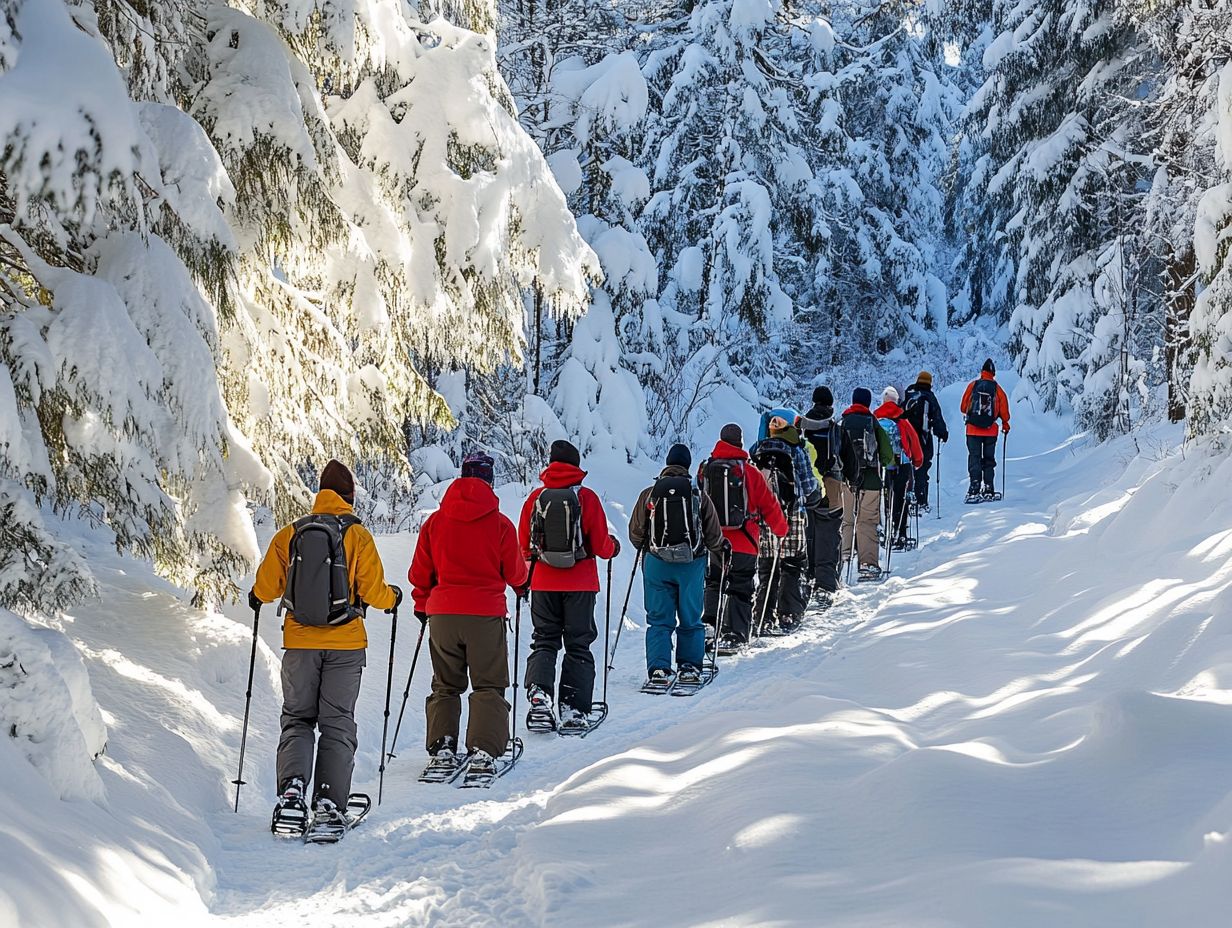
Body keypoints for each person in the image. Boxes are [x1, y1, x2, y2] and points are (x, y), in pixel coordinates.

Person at [251, 459, 400, 831]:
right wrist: (393, 599)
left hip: (299, 643)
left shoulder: (291, 533)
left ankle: (292, 792)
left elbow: (267, 587)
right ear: (349, 496)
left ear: (319, 493)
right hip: (346, 645)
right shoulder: (357, 536)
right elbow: (374, 593)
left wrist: (256, 596)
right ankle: (330, 804)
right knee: (336, 722)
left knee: (298, 718)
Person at [409, 452, 528, 780]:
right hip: (484, 616)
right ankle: (484, 751)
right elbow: (515, 573)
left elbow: (421, 572)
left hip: (443, 615)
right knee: (488, 683)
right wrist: (521, 587)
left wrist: (422, 604)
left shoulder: (434, 522)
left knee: (446, 683)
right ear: (490, 481)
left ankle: (443, 749)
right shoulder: (501, 524)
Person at [518, 440, 619, 733]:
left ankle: (540, 696)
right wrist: (613, 548)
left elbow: (524, 546)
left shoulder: (535, 499)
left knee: (544, 639)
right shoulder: (587, 498)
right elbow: (601, 546)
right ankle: (573, 709)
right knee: (578, 643)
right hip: (581, 584)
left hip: (543, 583)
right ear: (576, 466)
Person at [628, 444, 728, 688]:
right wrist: (722, 550)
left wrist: (652, 549)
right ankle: (690, 667)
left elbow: (635, 534)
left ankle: (660, 669)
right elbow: (714, 536)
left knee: (659, 619)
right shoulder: (698, 495)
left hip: (656, 564)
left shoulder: (650, 494)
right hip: (690, 564)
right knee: (690, 617)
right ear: (687, 465)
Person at [698, 423, 787, 652]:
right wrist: (781, 530)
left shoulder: (705, 469)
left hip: (715, 540)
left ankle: (709, 628)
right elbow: (769, 505)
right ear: (740, 443)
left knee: (715, 582)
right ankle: (735, 634)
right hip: (745, 540)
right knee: (740, 585)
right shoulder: (750, 472)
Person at [750, 409, 821, 633]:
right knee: (793, 563)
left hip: (764, 516)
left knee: (767, 566)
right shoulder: (796, 450)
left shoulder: (757, 450)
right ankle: (788, 614)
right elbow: (809, 485)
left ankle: (763, 616)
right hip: (792, 513)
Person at [800, 386, 852, 607]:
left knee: (808, 532)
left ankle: (808, 576)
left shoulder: (801, 427)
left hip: (807, 486)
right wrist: (852, 480)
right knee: (829, 533)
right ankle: (826, 583)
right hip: (831, 484)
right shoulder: (835, 429)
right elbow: (849, 460)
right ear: (831, 404)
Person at [838, 389, 895, 580]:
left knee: (847, 520)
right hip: (871, 480)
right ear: (869, 403)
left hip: (847, 479)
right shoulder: (873, 422)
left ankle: (844, 557)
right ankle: (868, 564)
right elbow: (887, 455)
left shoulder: (842, 422)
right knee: (867, 522)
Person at [874, 387, 924, 549]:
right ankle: (900, 533)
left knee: (885, 499)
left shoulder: (875, 420)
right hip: (902, 464)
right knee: (901, 498)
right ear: (897, 402)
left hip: (882, 466)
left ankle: (885, 532)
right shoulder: (902, 420)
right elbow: (914, 442)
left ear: (882, 401)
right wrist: (917, 462)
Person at [960, 359, 1011, 501]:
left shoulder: (973, 385)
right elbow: (1004, 411)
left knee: (974, 458)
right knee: (988, 459)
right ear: (993, 373)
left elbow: (963, 408)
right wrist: (1005, 423)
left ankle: (974, 487)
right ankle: (988, 487)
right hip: (990, 431)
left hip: (972, 430)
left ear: (982, 372)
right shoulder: (997, 389)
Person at [902, 371, 949, 512]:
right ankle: (921, 500)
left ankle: (907, 500)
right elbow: (937, 418)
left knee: (907, 470)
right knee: (922, 469)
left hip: (907, 441)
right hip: (924, 439)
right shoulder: (930, 398)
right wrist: (942, 434)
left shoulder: (909, 396)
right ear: (929, 383)